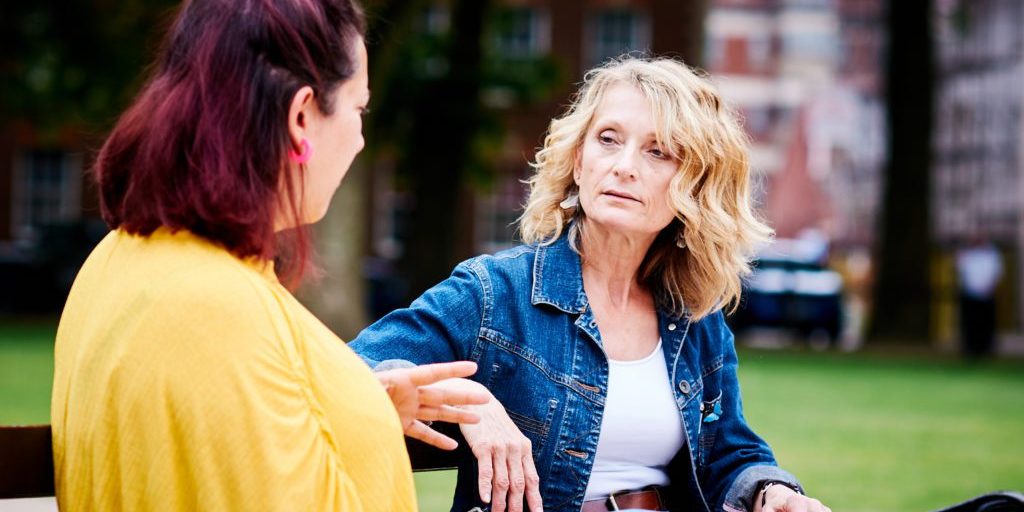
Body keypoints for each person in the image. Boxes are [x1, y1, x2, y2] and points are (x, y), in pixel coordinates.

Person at [50, 1, 487, 510]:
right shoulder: (216, 308)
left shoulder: (118, 258)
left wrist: (354, 402)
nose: (362, 138)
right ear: (302, 116)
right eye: (358, 108)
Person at [351, 57, 832, 512]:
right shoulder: (495, 293)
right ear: (578, 162)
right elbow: (348, 373)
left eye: (657, 151)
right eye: (607, 139)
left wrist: (773, 491)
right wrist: (471, 401)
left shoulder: (695, 319)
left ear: (695, 186)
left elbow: (728, 450)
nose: (624, 165)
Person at [955, 236, 1004, 358]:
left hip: (987, 294)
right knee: (970, 324)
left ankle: (986, 349)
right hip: (969, 294)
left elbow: (997, 272)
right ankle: (970, 349)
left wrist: (990, 286)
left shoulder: (992, 254)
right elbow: (960, 270)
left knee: (986, 324)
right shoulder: (966, 253)